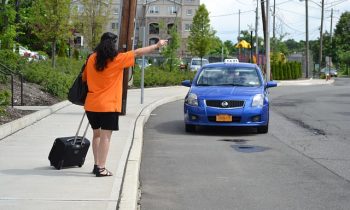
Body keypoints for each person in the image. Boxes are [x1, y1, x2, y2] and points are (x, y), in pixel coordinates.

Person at [82, 32, 167, 177]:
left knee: (96, 134)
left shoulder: (91, 58)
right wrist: (157, 45)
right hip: (109, 105)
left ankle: (97, 166)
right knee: (105, 137)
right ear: (113, 44)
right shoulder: (117, 59)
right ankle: (102, 169)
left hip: (92, 104)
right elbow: (138, 52)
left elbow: (84, 78)